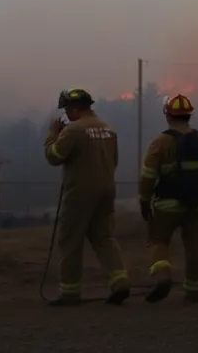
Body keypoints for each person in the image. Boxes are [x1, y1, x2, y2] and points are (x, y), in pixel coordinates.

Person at [43, 88, 131, 306]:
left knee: (70, 241)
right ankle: (120, 282)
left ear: (74, 108)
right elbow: (115, 160)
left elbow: (53, 157)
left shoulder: (74, 130)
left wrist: (52, 134)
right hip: (107, 189)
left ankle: (70, 293)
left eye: (66, 109)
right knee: (104, 238)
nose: (66, 114)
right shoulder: (109, 129)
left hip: (80, 192)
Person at [138, 94, 198, 304]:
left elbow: (148, 175)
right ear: (189, 115)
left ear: (167, 115)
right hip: (197, 204)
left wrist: (144, 199)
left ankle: (163, 277)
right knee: (194, 246)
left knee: (158, 241)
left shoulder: (160, 142)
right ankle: (194, 292)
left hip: (166, 205)